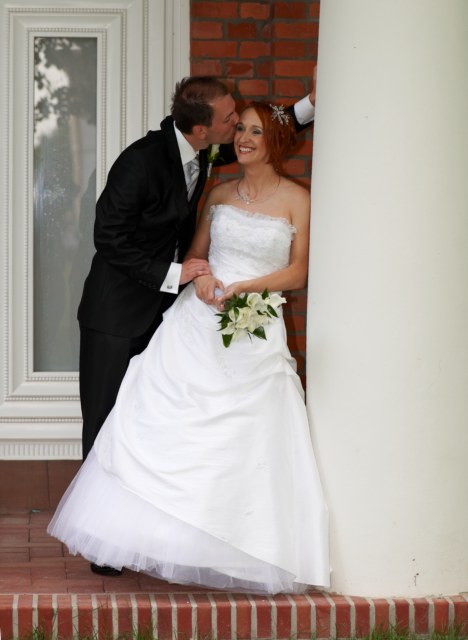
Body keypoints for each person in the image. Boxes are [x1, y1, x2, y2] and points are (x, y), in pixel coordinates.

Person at [48, 101, 330, 595]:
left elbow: (299, 270)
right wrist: (200, 281)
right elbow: (196, 255)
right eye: (238, 128)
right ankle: (137, 538)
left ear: (276, 142)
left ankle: (231, 543)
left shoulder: (298, 200)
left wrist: (247, 289)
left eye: (255, 131)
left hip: (255, 323)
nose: (243, 138)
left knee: (243, 433)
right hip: (196, 321)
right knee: (155, 419)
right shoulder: (217, 193)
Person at [77, 76, 317, 468]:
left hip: (169, 312)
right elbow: (108, 238)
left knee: (147, 422)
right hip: (116, 314)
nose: (237, 125)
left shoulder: (203, 148)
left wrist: (309, 103)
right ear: (203, 129)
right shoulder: (140, 162)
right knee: (107, 422)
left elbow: (262, 136)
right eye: (230, 120)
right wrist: (178, 274)